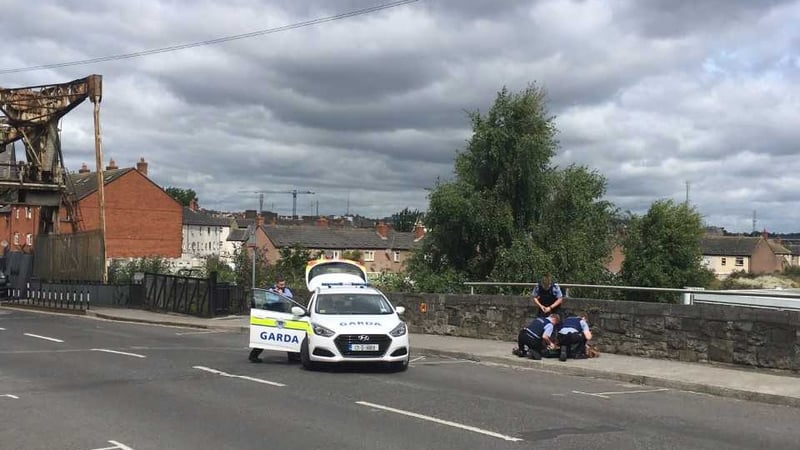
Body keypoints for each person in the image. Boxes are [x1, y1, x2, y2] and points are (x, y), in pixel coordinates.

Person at [249, 275, 294, 363]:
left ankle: (293, 357)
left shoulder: (286, 290)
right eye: (281, 285)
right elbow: (270, 300)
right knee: (266, 337)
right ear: (276, 284)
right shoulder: (271, 290)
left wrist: (282, 294)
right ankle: (253, 355)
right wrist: (278, 295)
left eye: (283, 284)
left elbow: (290, 297)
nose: (283, 286)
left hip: (283, 316)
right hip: (271, 316)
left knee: (287, 336)